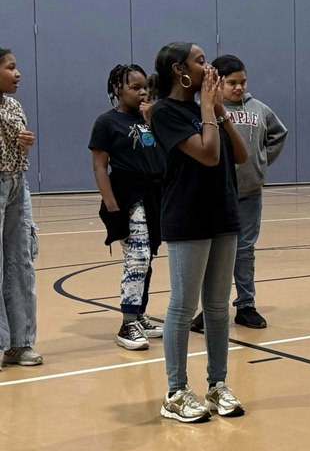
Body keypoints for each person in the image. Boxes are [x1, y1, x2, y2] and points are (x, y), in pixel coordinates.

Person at [149, 42, 249, 423]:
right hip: (187, 216)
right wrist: (208, 108)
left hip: (223, 213)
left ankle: (217, 384)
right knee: (182, 305)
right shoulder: (164, 112)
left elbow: (240, 155)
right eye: (201, 61)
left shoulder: (207, 110)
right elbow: (208, 154)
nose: (209, 69)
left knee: (218, 307)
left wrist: (220, 112)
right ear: (179, 70)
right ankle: (175, 392)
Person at [191, 55, 288, 332]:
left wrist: (261, 161)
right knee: (213, 253)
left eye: (243, 82)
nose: (239, 87)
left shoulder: (259, 109)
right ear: (217, 82)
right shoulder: (204, 110)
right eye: (232, 82)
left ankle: (246, 305)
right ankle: (211, 309)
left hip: (249, 192)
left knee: (245, 251)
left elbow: (279, 134)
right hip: (215, 193)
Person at [89, 63, 165, 351]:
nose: (142, 92)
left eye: (145, 86)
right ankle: (127, 323)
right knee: (138, 256)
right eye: (135, 87)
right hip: (127, 197)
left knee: (148, 257)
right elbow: (100, 166)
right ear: (117, 89)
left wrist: (153, 119)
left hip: (154, 196)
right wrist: (112, 205)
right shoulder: (106, 122)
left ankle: (140, 315)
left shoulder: (151, 118)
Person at [0, 47, 40, 369]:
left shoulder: (13, 105)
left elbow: (17, 145)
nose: (18, 73)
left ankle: (20, 343)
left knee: (20, 262)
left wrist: (25, 143)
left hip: (17, 183)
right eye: (11, 67)